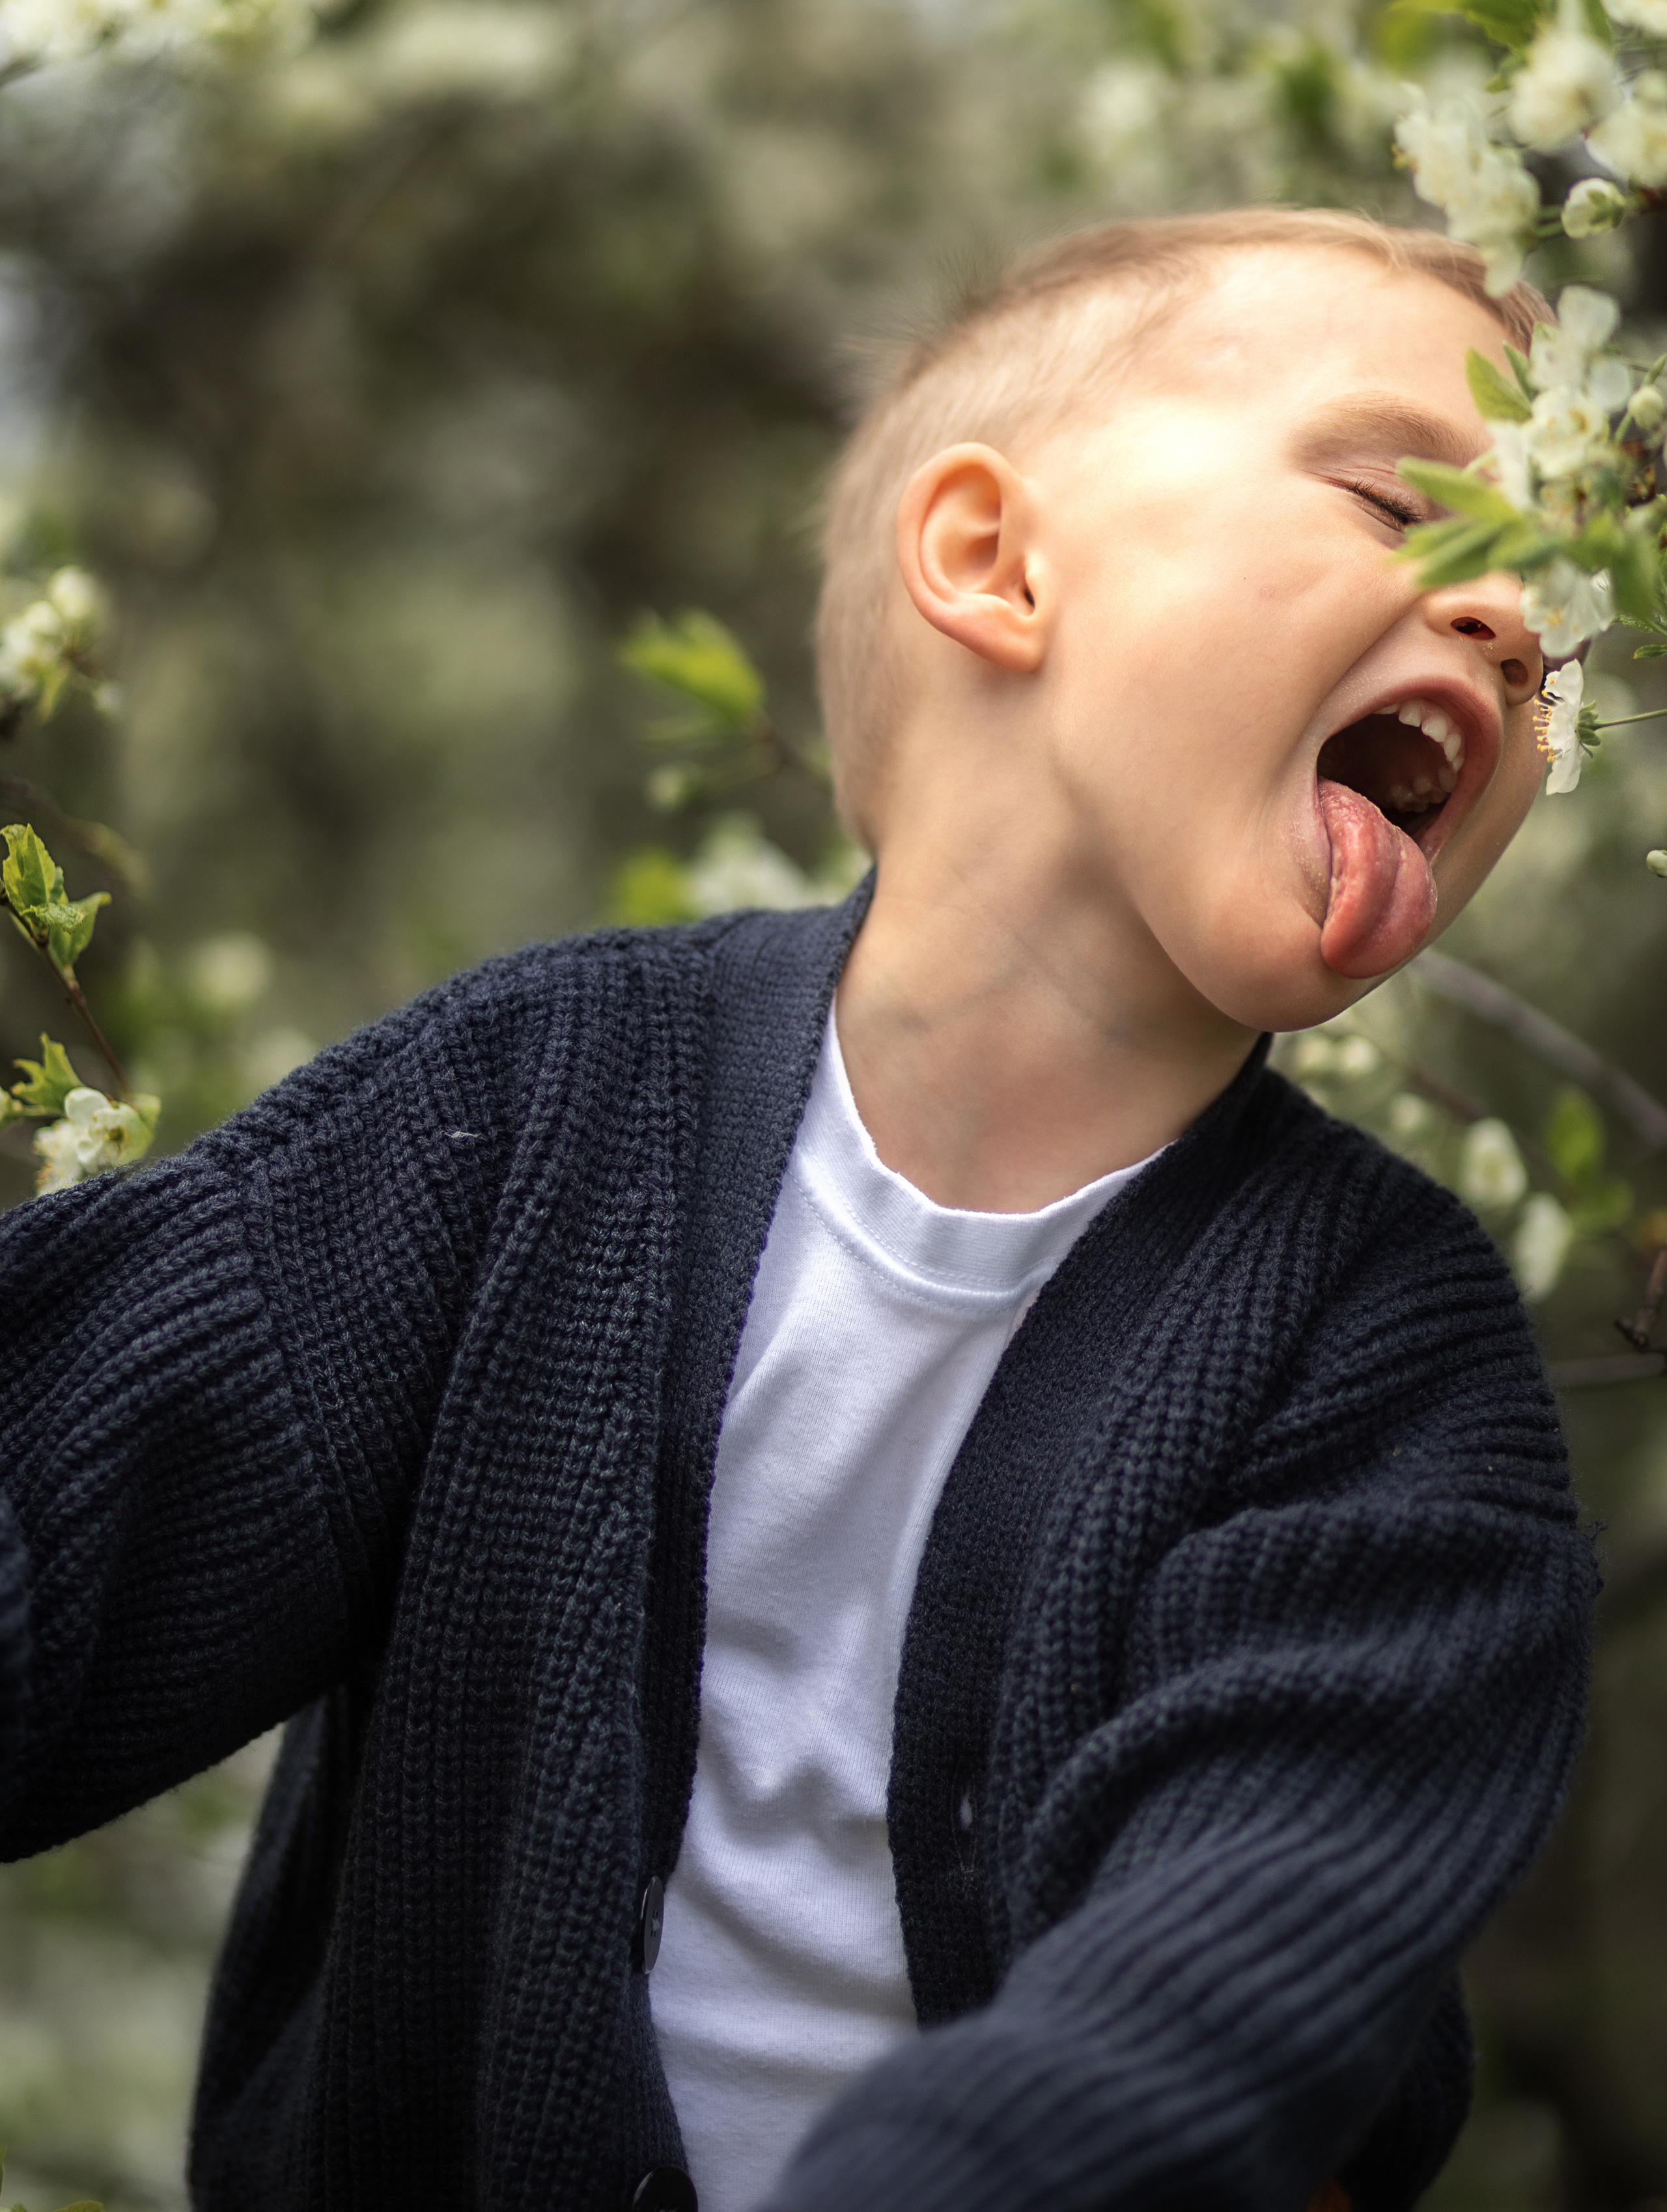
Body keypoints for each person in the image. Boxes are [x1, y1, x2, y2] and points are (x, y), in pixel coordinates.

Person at [0, 208, 1595, 2212]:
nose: (1515, 628)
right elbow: (65, 1528)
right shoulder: (527, 1115)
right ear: (996, 563)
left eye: (1556, 623)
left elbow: (1232, 1983)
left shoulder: (1388, 1366)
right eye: (1409, 503)